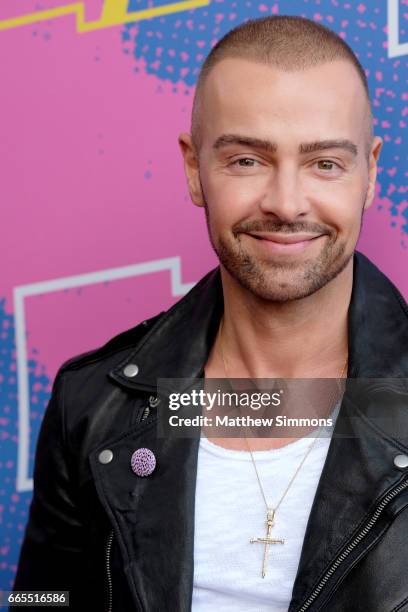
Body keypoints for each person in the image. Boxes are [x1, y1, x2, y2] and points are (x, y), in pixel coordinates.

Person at [13, 15, 408, 612]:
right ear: (195, 168)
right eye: (247, 160)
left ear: (371, 172)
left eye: (325, 162)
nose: (285, 203)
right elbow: (42, 598)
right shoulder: (94, 402)